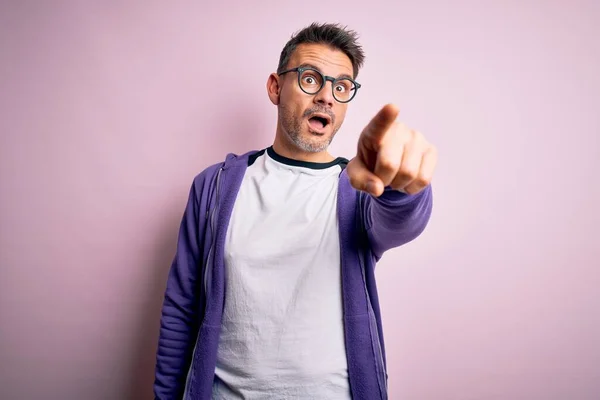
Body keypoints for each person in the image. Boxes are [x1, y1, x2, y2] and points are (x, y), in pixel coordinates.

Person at [153, 22, 437, 400]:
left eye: (341, 87)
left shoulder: (358, 190)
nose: (326, 97)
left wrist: (400, 186)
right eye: (309, 79)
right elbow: (181, 309)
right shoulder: (215, 186)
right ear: (275, 87)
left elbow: (400, 220)